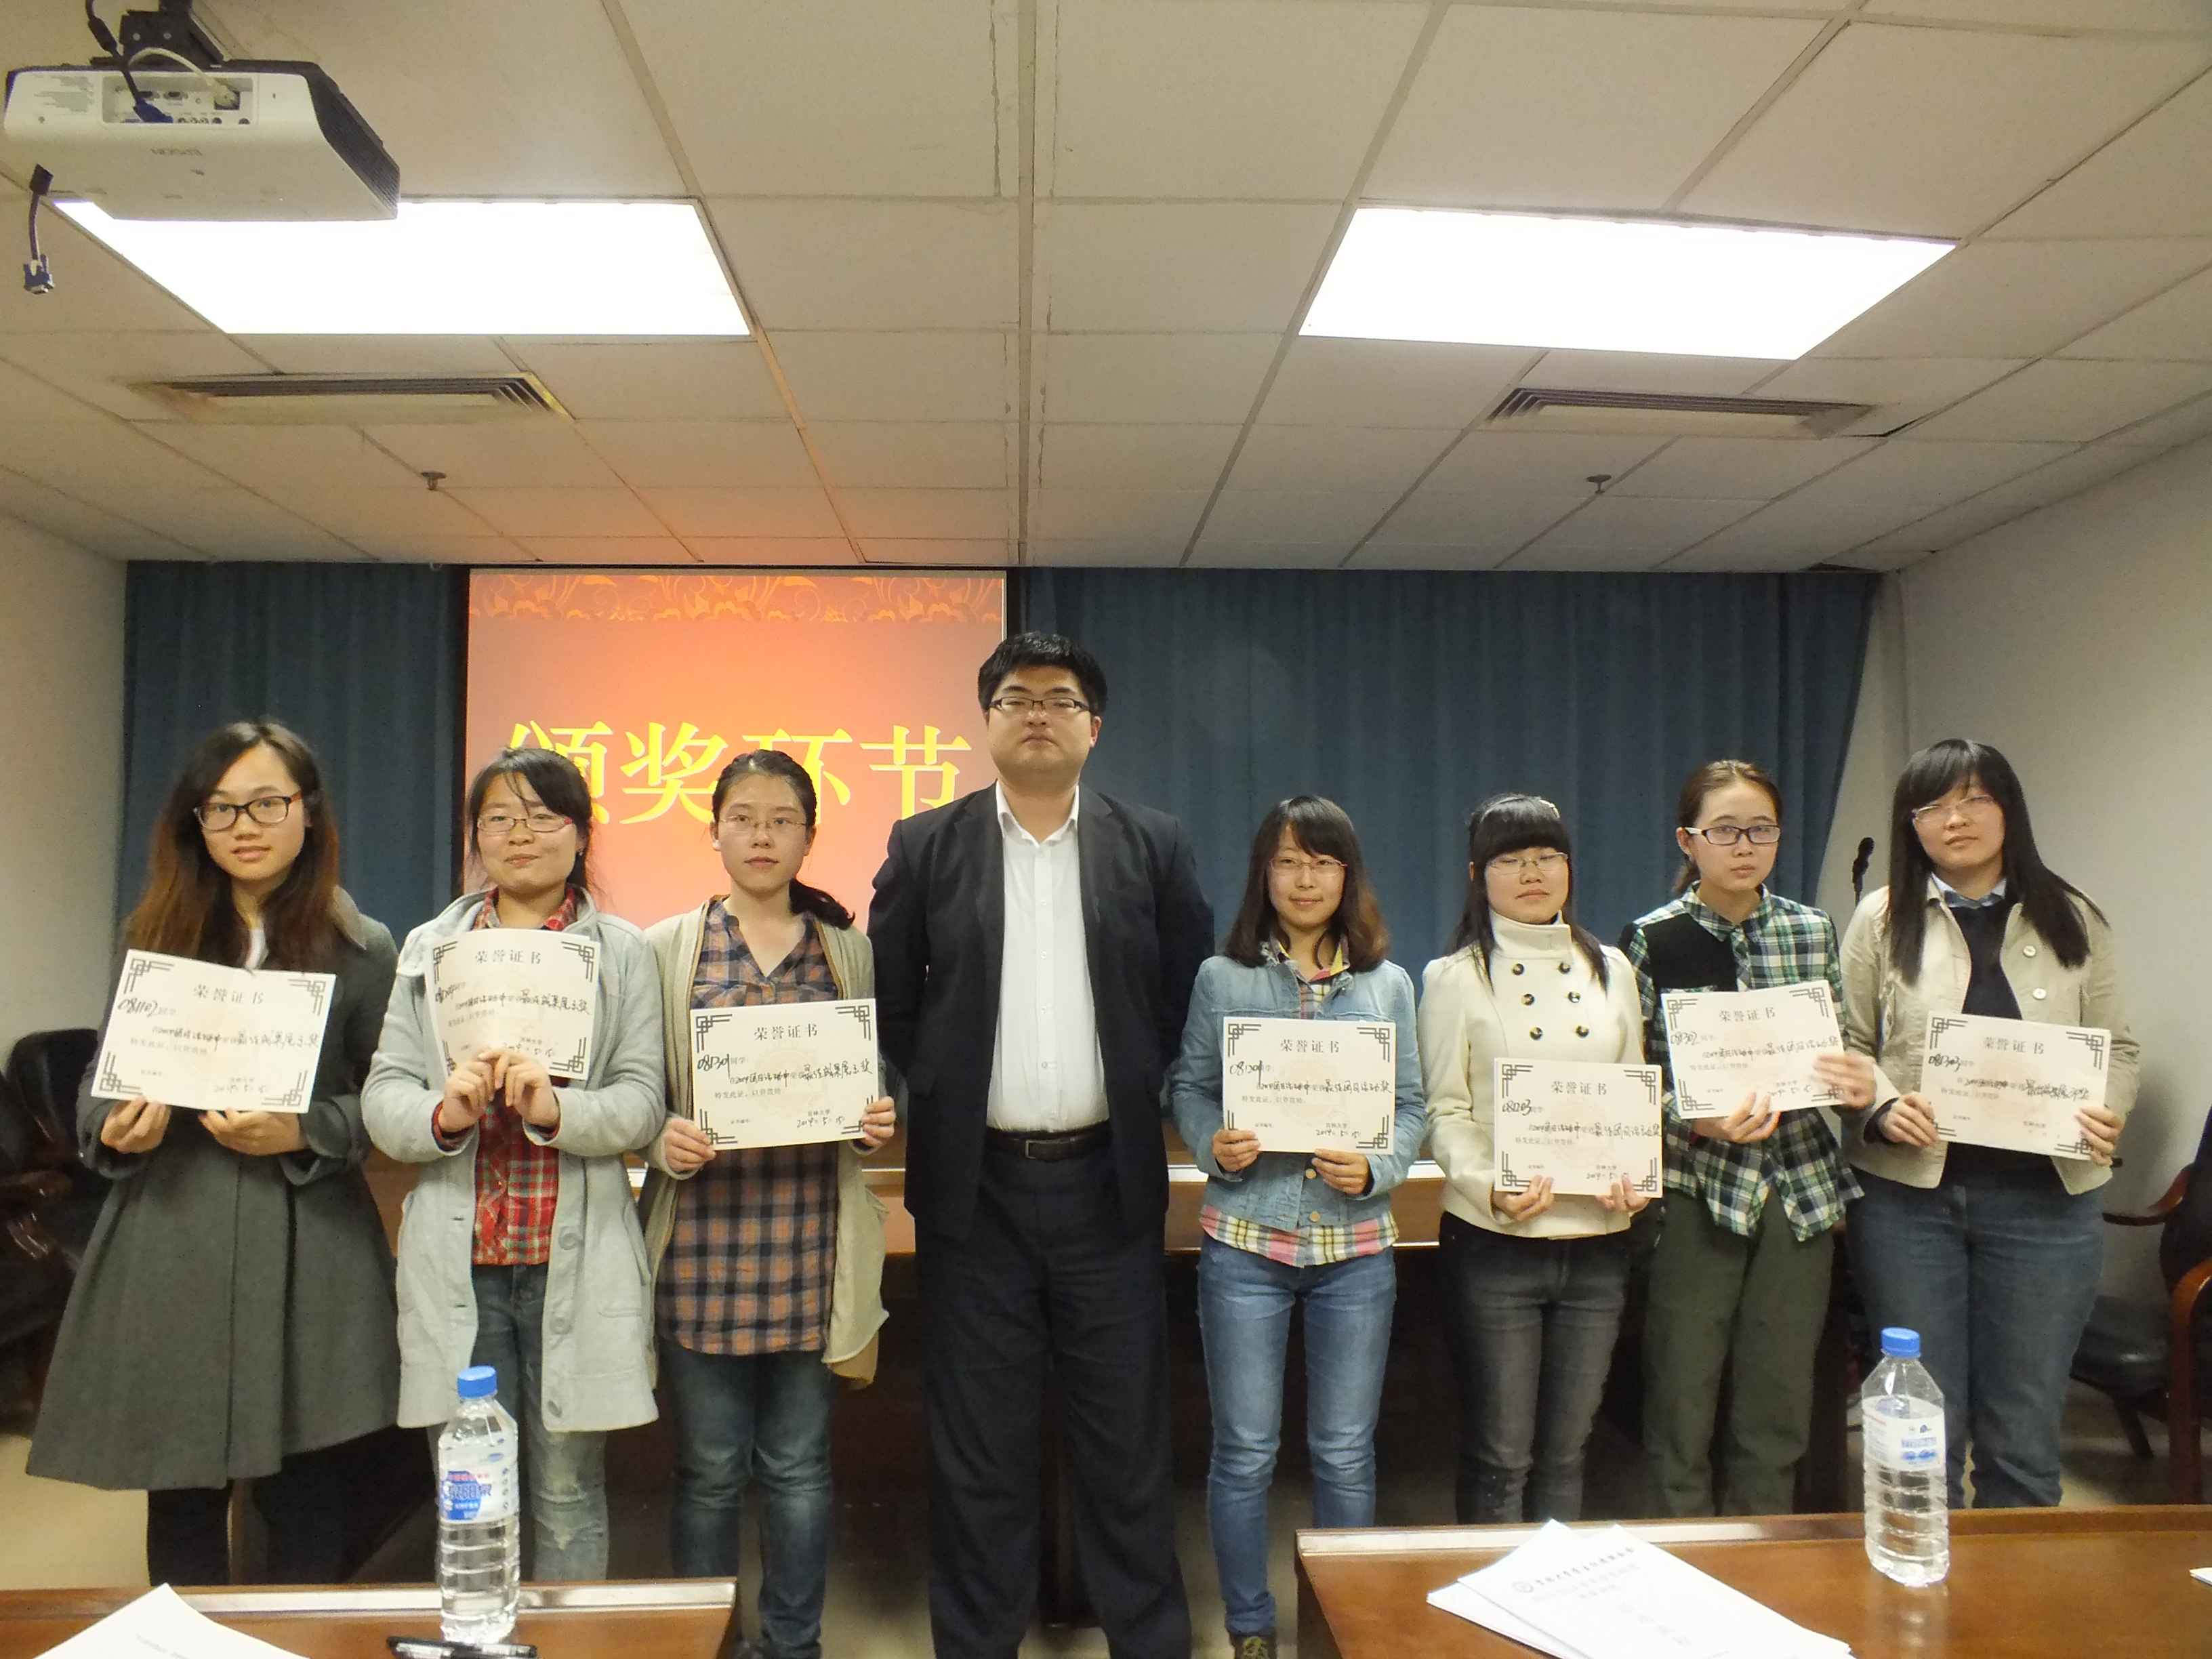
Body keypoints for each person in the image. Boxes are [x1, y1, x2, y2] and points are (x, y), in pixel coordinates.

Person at [867, 631, 1213, 1659]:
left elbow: (1182, 988)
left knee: (1126, 1440)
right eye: (1016, 698)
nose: (1038, 715)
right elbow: (892, 1002)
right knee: (979, 1449)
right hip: (976, 1194)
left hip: (1108, 1186)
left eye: (1061, 700)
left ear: (1093, 728)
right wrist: (943, 1089)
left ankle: (1149, 1642)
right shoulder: (927, 844)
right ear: (986, 723)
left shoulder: (1151, 844)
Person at [28, 720, 400, 1586]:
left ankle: (296, 1640)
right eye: (221, 807)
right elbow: (103, 1079)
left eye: (267, 803)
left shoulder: (363, 946)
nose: (244, 825)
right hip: (174, 1229)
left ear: (309, 812)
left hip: (309, 1239)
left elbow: (391, 1098)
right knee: (182, 1490)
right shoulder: (154, 934)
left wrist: (307, 1129)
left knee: (306, 1495)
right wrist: (114, 1123)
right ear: (195, 822)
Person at [364, 747, 665, 1580]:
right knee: (472, 1495)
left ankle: (566, 1641)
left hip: (573, 1256)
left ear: (581, 834)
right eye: (499, 818)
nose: (520, 834)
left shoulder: (622, 951)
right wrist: (444, 1114)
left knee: (568, 1494)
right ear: (476, 837)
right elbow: (384, 1096)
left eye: (542, 816)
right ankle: (482, 1632)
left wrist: (558, 1111)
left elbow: (642, 1103)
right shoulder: (432, 947)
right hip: (462, 1260)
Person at [638, 750, 897, 1659]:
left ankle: (794, 1645)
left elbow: (871, 1080)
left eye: (782, 820)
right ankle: (707, 1644)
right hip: (700, 1254)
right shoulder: (666, 947)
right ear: (713, 831)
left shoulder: (847, 950)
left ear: (809, 837)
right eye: (743, 818)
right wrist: (657, 1136)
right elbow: (636, 1089)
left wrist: (874, 1118)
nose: (761, 835)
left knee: (799, 1469)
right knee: (709, 1471)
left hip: (810, 1250)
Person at [1838, 739, 2137, 1509]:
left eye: (1975, 798)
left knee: (2024, 1436)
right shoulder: (1881, 917)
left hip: (2047, 1206)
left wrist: (2108, 1109)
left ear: (2010, 810)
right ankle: (1919, 1575)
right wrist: (1881, 1105)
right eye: (1934, 806)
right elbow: (1849, 1043)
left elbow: (2118, 1048)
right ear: (1912, 825)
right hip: (1910, 1205)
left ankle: (2014, 1583)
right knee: (1920, 1429)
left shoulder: (2074, 914)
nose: (1956, 819)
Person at [1168, 796, 1425, 1659]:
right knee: (1244, 1452)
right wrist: (1214, 1142)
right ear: (1263, 875)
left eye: (1321, 862)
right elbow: (1189, 1087)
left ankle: (1338, 1626)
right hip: (1246, 1241)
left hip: (1355, 1249)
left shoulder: (1389, 985)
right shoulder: (1223, 978)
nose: (1304, 879)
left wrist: (1379, 1167)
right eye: (1287, 861)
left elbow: (1411, 1106)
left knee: (1345, 1452)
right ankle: (1250, 1628)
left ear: (1347, 875)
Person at [1619, 760, 1876, 1517]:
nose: (1744, 847)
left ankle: (1764, 1551)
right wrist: (1689, 1116)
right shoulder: (1651, 939)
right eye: (1725, 831)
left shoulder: (1810, 929)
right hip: (1697, 1188)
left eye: (1761, 831)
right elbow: (1631, 1077)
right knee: (1682, 1392)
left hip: (1799, 1189)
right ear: (1688, 841)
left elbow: (1840, 1045)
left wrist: (1852, 1081)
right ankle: (1684, 1552)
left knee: (1779, 1395)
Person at [1416, 793, 1652, 1525]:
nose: (1531, 872)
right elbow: (1444, 1111)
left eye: (1547, 856)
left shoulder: (1613, 968)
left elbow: (1634, 1091)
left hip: (1599, 1240)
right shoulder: (1454, 976)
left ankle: (1555, 1593)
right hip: (1498, 1241)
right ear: (1477, 875)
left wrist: (1637, 1176)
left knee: (1568, 1452)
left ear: (1569, 869)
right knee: (1501, 1455)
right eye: (1511, 859)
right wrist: (1490, 1187)